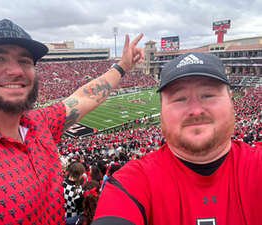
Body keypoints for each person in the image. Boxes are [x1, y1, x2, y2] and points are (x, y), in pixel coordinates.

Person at [0, 19, 143, 225]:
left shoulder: (39, 123)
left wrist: (122, 67)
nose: (16, 70)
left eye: (25, 61)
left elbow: (85, 97)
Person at [92, 52, 262, 225]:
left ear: (231, 101)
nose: (196, 110)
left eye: (208, 95)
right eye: (179, 98)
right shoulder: (130, 183)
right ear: (161, 111)